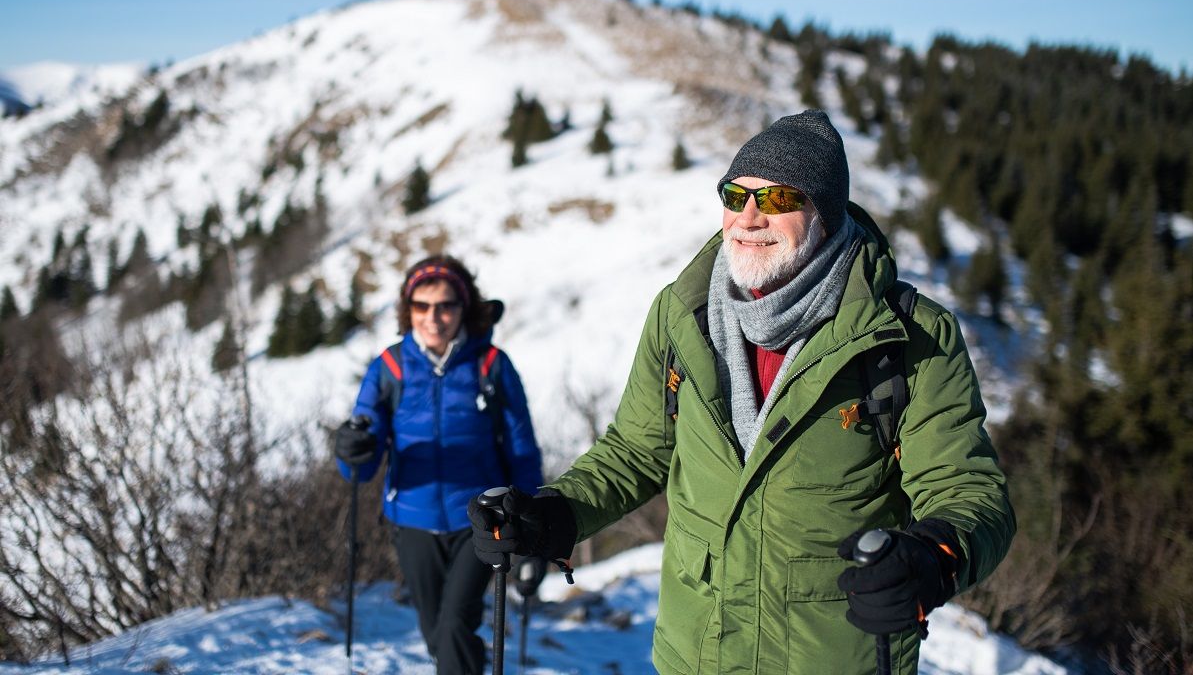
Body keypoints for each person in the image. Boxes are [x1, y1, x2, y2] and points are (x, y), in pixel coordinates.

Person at [468, 111, 1015, 675]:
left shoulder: (909, 336)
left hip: (836, 657)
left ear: (824, 214)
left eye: (778, 199)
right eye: (735, 195)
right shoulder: (684, 315)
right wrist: (553, 515)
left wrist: (934, 557)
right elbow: (637, 450)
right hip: (697, 654)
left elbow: (966, 487)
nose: (749, 217)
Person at [336, 254, 544, 675]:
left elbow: (522, 448)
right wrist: (353, 448)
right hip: (412, 523)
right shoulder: (389, 368)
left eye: (446, 305)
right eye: (422, 306)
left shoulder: (491, 365)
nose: (434, 317)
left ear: (463, 309)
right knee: (437, 634)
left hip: (481, 519)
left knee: (453, 627)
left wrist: (536, 530)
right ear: (407, 310)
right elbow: (362, 459)